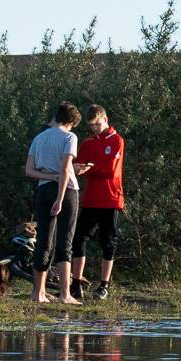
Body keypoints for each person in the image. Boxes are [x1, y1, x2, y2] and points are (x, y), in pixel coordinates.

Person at [23, 102, 90, 305]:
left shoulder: (39, 138)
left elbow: (29, 170)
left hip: (43, 190)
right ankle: (65, 294)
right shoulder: (70, 137)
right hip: (66, 191)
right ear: (71, 123)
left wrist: (49, 176)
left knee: (43, 241)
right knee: (65, 242)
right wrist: (60, 198)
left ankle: (38, 293)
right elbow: (64, 169)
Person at [70, 105, 125, 301]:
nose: (94, 128)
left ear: (105, 119)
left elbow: (110, 170)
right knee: (78, 238)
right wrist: (78, 168)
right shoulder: (88, 143)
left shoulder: (117, 141)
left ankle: (104, 285)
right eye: (91, 125)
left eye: (97, 124)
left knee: (108, 241)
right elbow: (78, 166)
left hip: (110, 198)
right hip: (91, 198)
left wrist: (89, 169)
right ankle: (76, 284)